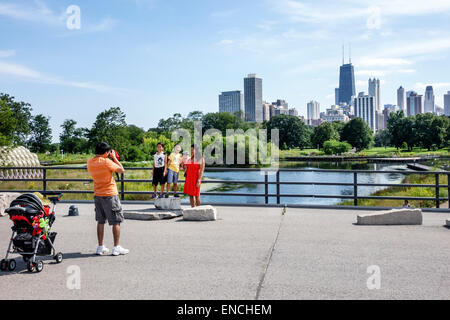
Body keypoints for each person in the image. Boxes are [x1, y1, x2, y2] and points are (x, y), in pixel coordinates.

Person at [87, 142, 129, 256]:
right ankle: (116, 247)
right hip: (110, 194)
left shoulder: (90, 162)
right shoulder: (107, 162)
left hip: (98, 194)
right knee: (116, 221)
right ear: (106, 152)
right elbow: (121, 170)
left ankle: (100, 247)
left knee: (100, 221)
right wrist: (114, 157)